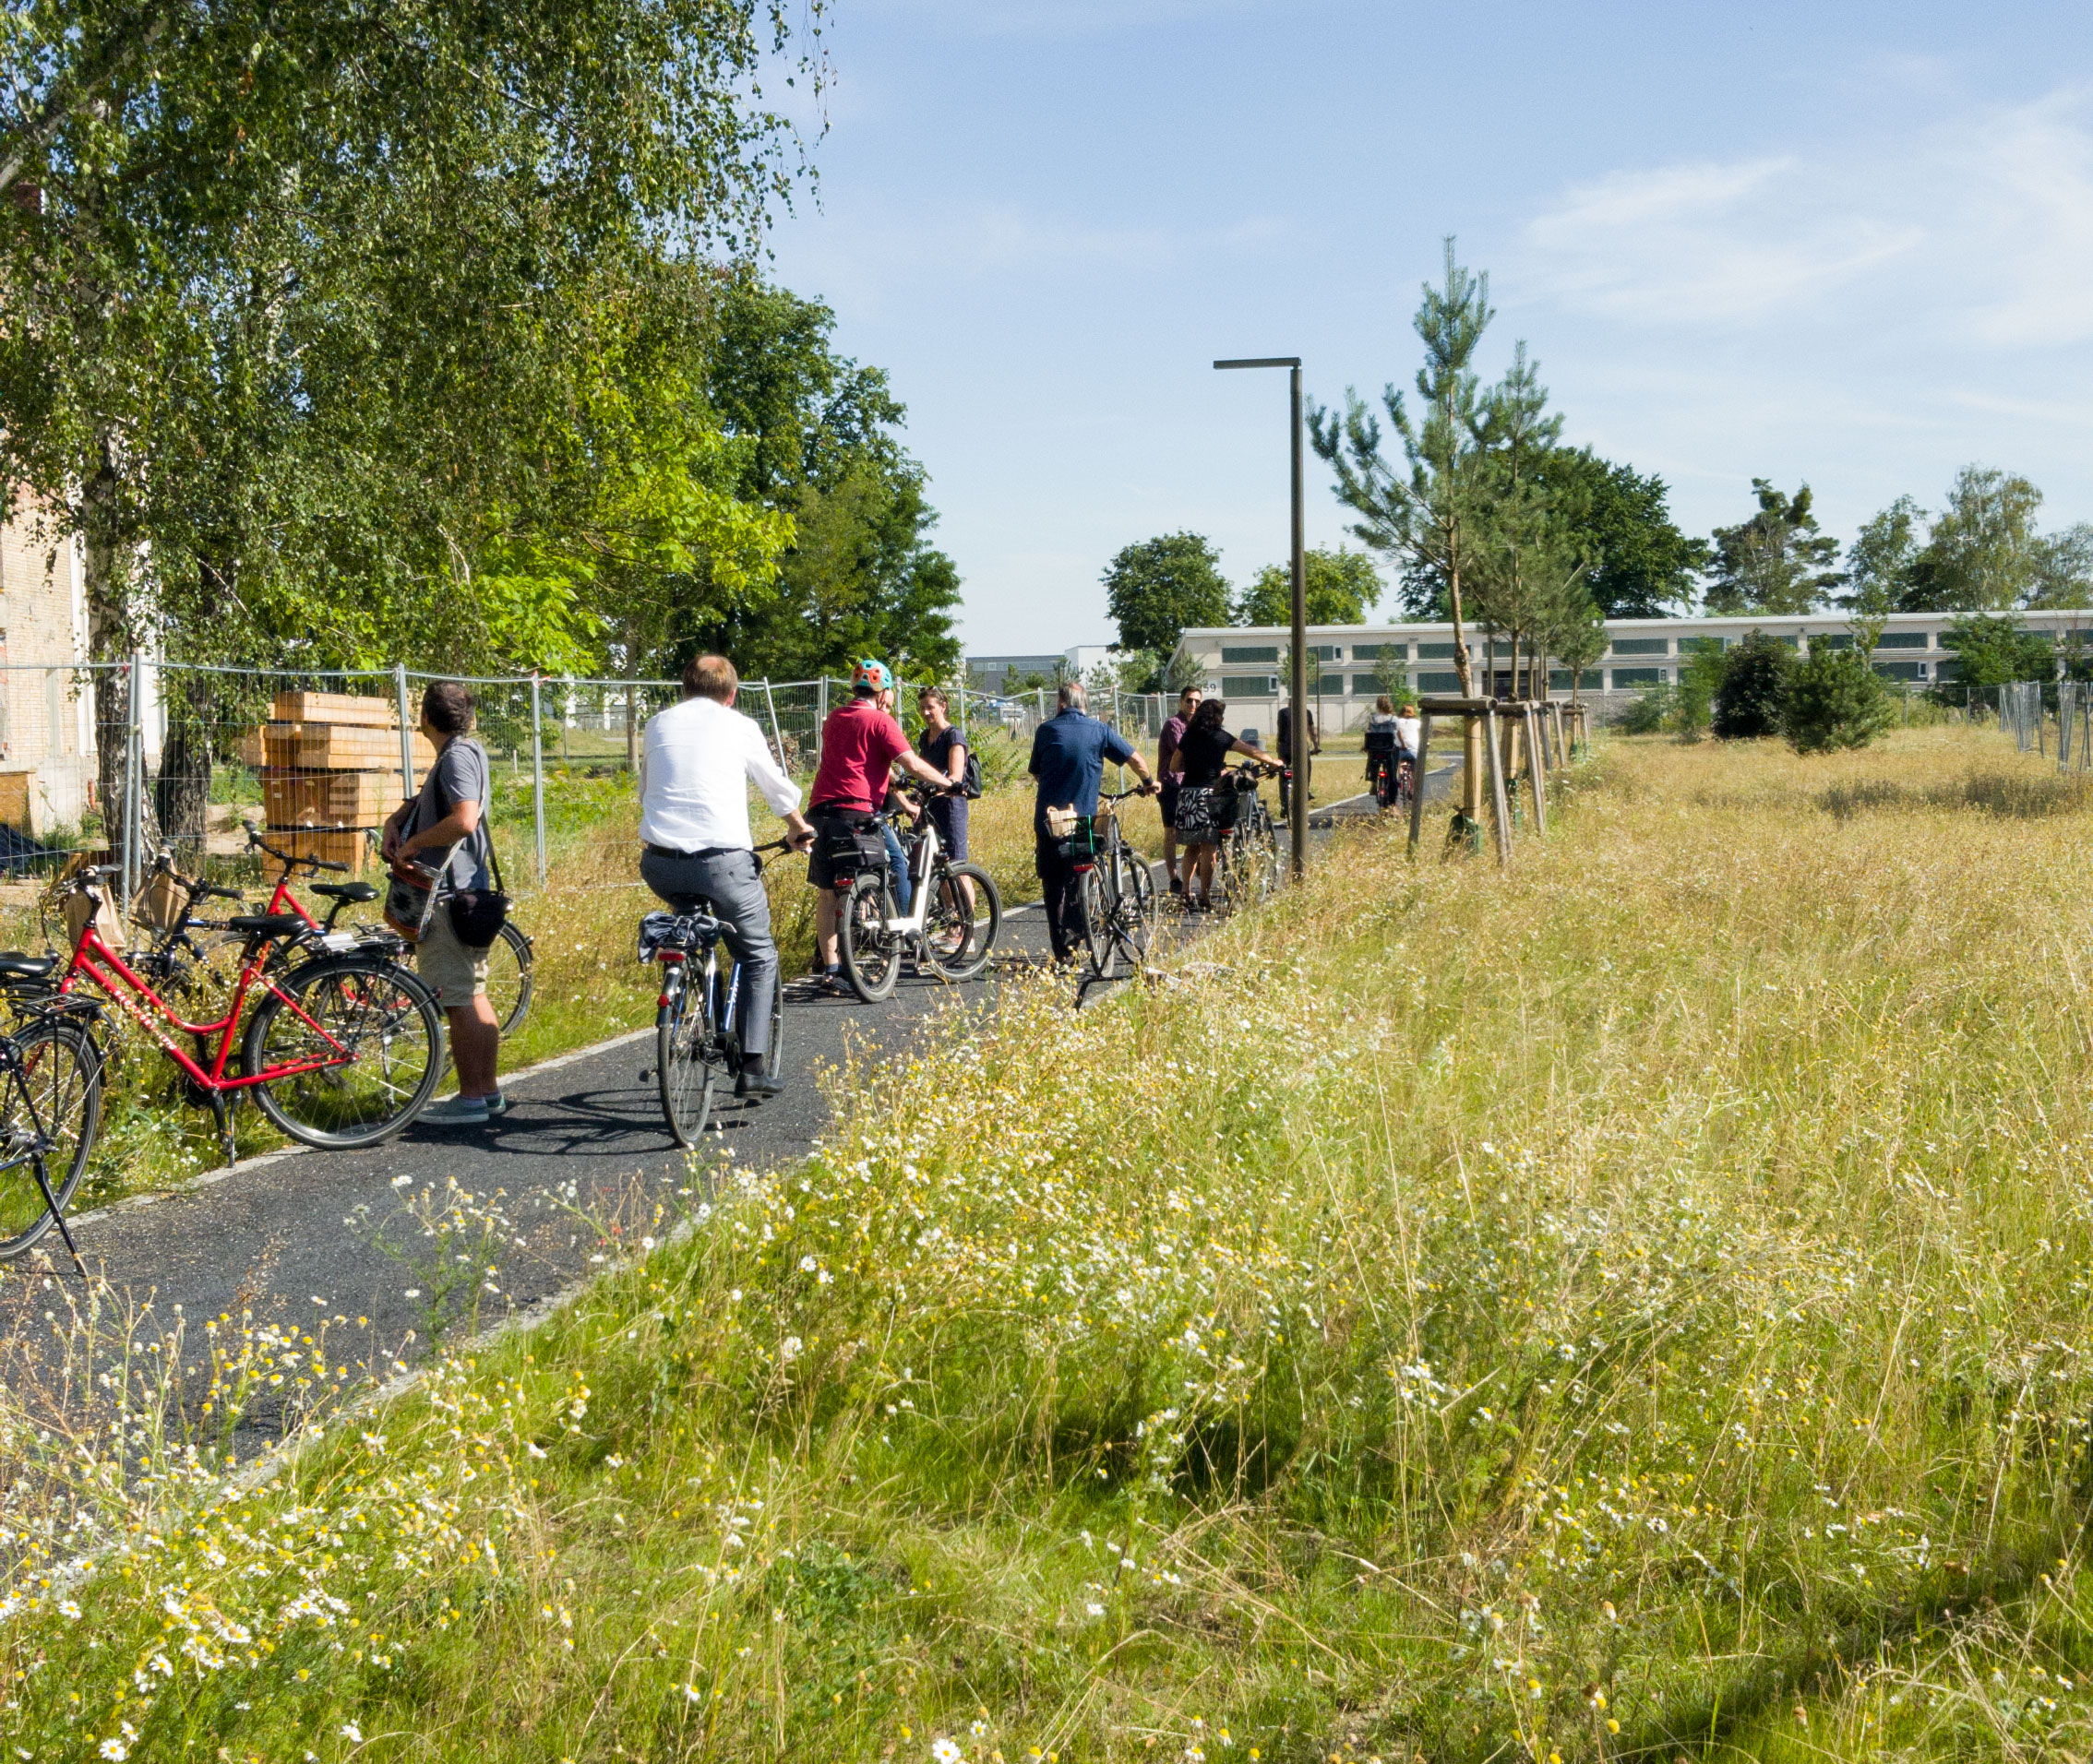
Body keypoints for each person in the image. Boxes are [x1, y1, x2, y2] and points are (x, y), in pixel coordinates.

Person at [637, 653, 815, 1101]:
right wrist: (798, 827)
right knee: (757, 955)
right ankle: (753, 1068)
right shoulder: (740, 727)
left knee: (693, 930)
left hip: (660, 864)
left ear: (685, 690)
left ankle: (694, 997)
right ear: (732, 695)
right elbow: (775, 788)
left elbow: (646, 790)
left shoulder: (657, 724)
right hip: (722, 864)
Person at [381, 682, 506, 1125]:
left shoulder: (455, 757)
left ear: (426, 718)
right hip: (466, 892)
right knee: (472, 993)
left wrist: (414, 844)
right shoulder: (463, 753)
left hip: (450, 896)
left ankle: (470, 1100)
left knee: (458, 999)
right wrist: (399, 817)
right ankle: (487, 1093)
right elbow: (441, 799)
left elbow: (464, 819)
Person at [807, 660, 953, 990]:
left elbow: (857, 760)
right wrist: (949, 784)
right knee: (897, 862)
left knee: (827, 893)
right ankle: (904, 934)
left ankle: (831, 969)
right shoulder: (879, 720)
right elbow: (912, 763)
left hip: (819, 812)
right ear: (883, 692)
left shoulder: (834, 719)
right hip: (857, 812)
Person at [1028, 680, 1158, 963]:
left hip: (1049, 820)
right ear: (1084, 704)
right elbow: (1135, 759)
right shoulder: (1099, 730)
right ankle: (1074, 942)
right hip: (1083, 820)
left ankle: (1062, 955)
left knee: (1053, 886)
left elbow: (1037, 772)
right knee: (1079, 879)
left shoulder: (1046, 730)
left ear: (1060, 703)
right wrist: (1149, 782)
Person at [1169, 697, 1278, 909]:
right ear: (1218, 717)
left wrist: (1193, 765)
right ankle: (1204, 897)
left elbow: (1174, 766)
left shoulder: (1189, 736)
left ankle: (1186, 893)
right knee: (1209, 849)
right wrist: (1273, 761)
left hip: (1187, 795)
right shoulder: (1221, 736)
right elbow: (1249, 750)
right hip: (1210, 795)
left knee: (1191, 847)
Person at [915, 685, 974, 914]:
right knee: (937, 866)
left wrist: (941, 787)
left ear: (943, 707)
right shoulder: (925, 737)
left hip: (950, 807)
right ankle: (951, 916)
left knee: (957, 866)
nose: (925, 712)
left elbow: (955, 776)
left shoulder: (953, 736)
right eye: (922, 708)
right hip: (930, 807)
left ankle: (966, 922)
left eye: (930, 707)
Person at [1156, 684, 1202, 896]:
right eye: (1189, 700)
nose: (1193, 705)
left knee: (1196, 830)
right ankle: (1174, 877)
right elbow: (1183, 752)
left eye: (1197, 701)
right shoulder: (1173, 725)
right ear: (1181, 702)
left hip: (1191, 784)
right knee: (1172, 832)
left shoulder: (1199, 726)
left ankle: (1194, 869)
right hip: (1171, 785)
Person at [1274, 701, 1320, 821]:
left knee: (1283, 773)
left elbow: (1280, 731)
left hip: (1284, 747)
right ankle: (1305, 791)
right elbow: (1312, 732)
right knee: (1306, 768)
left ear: (1289, 704)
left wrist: (1278, 748)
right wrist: (1316, 746)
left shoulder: (1282, 713)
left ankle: (1284, 805)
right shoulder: (1307, 712)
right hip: (1301, 747)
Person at [1364, 695, 1404, 808]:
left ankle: (1373, 781)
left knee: (1372, 762)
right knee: (1392, 775)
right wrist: (1403, 745)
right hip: (1390, 749)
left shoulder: (1373, 718)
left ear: (1377, 706)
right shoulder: (1394, 719)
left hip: (1375, 748)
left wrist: (1364, 746)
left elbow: (1369, 732)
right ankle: (1392, 803)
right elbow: (1398, 733)